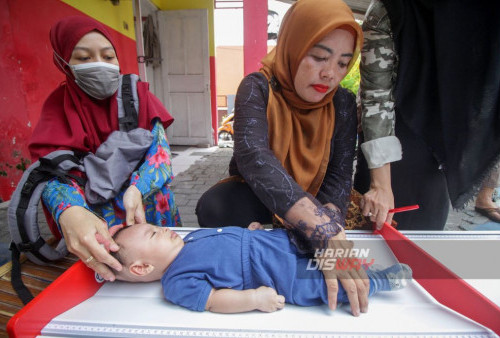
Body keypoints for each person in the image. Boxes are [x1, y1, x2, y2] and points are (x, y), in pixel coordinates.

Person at [195, 0, 367, 316]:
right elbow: (253, 157)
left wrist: (327, 228)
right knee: (216, 206)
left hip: (316, 197)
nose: (330, 73)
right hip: (261, 192)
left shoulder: (342, 102)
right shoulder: (258, 87)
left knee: (343, 227)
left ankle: (282, 245)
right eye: (318, 57)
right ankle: (281, 249)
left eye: (343, 63)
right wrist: (322, 231)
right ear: (294, 44)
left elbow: (339, 176)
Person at [28, 16, 181, 282]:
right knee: (111, 283)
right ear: (64, 62)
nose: (99, 64)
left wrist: (137, 188)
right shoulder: (57, 109)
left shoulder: (137, 96)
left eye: (108, 57)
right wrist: (71, 211)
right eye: (84, 58)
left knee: (173, 269)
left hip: (150, 212)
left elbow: (161, 156)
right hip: (100, 223)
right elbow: (54, 175)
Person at [354, 0, 500, 230]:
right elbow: (376, 98)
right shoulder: (389, 9)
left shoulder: (483, 13)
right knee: (378, 236)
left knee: (427, 236)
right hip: (387, 141)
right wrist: (380, 185)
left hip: (442, 145)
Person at [110, 223, 412, 313]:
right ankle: (381, 282)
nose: (162, 229)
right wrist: (254, 299)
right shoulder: (176, 281)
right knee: (317, 283)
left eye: (155, 226)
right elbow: (213, 300)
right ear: (141, 268)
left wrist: (247, 231)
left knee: (325, 256)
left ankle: (359, 266)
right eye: (153, 234)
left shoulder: (190, 238)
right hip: (278, 276)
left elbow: (224, 237)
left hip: (276, 242)